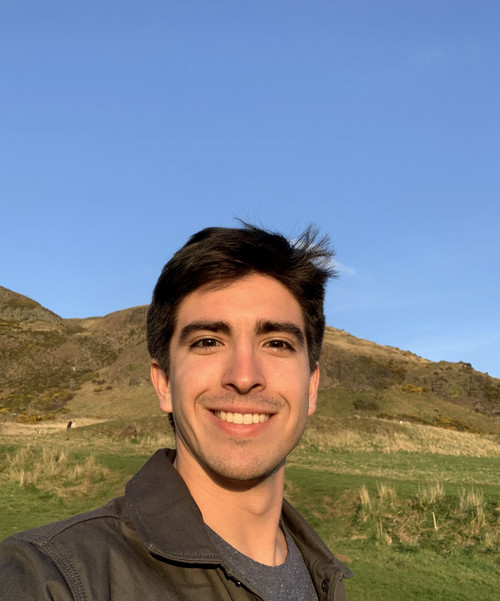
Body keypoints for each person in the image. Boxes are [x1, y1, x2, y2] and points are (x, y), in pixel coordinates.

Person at [0, 223, 353, 600]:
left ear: (312, 387)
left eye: (277, 343)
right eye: (208, 341)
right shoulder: (50, 578)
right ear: (164, 383)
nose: (245, 376)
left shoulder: (323, 574)